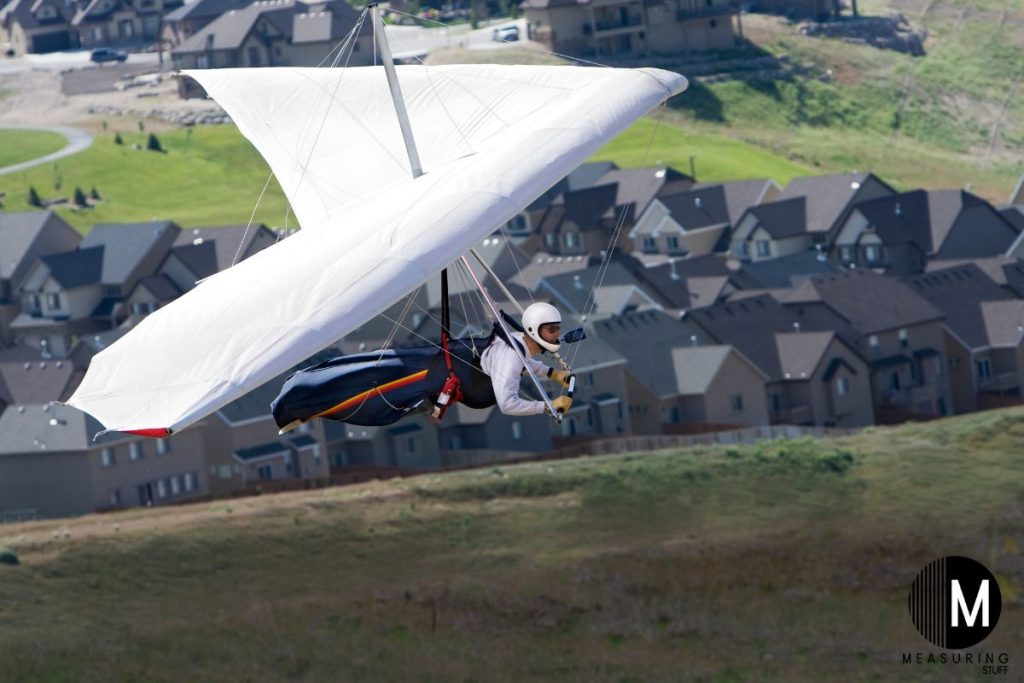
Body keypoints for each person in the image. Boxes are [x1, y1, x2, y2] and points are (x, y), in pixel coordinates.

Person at [479, 302, 573, 417]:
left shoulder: (521, 341)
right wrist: (548, 405)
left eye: (558, 328)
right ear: (533, 330)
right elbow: (507, 405)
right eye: (552, 329)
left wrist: (552, 373)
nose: (557, 334)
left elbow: (523, 363)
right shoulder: (511, 358)